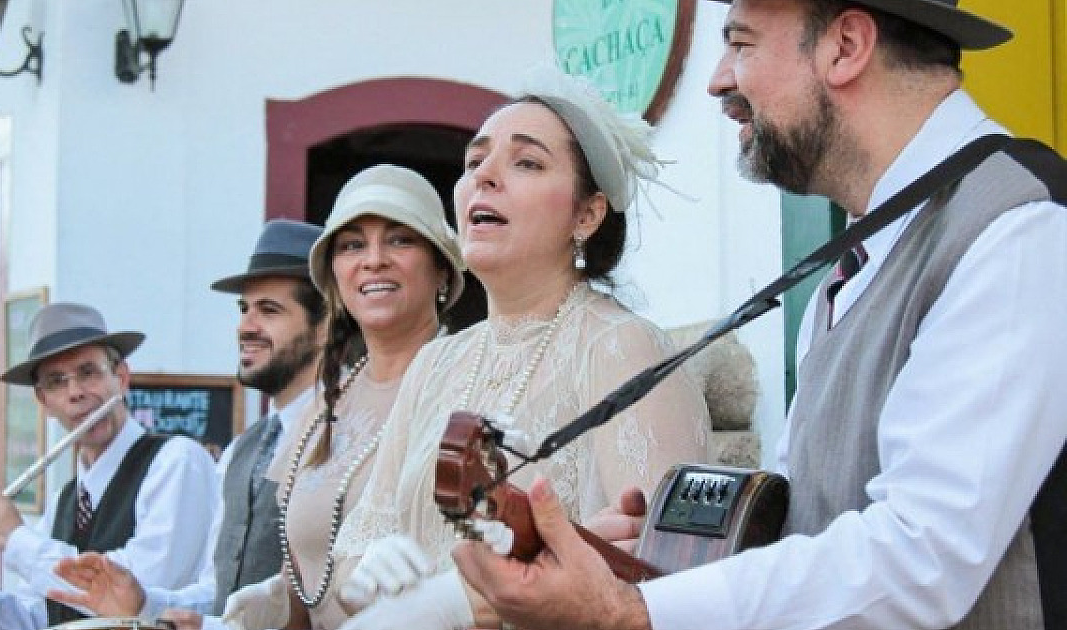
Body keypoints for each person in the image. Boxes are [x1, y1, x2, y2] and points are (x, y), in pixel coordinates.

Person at [453, 2, 1067, 630]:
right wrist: (643, 558)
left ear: (846, 46)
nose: (719, 78)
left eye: (741, 44)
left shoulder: (1017, 231)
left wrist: (632, 611)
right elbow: (814, 527)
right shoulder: (854, 267)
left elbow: (924, 558)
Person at [333, 69, 713, 629]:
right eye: (474, 162)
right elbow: (348, 568)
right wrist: (374, 571)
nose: (484, 177)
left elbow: (666, 580)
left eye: (527, 162)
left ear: (587, 215)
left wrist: (452, 599)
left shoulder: (621, 348)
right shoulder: (435, 363)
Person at [50, 164, 467, 630]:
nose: (373, 260)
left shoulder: (475, 383)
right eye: (352, 245)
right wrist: (161, 613)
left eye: (399, 239)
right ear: (335, 279)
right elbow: (299, 596)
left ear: (442, 268)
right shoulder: (322, 413)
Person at [49, 218, 329, 622]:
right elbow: (218, 594)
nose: (245, 327)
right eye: (244, 309)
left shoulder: (344, 438)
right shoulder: (240, 451)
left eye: (269, 310)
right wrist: (143, 603)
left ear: (323, 327)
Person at [0, 302, 220, 630]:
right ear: (44, 402)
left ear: (121, 377)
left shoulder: (176, 461)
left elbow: (130, 594)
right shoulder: (65, 501)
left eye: (89, 372)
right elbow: (38, 620)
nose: (76, 393)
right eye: (57, 382)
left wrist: (17, 539)